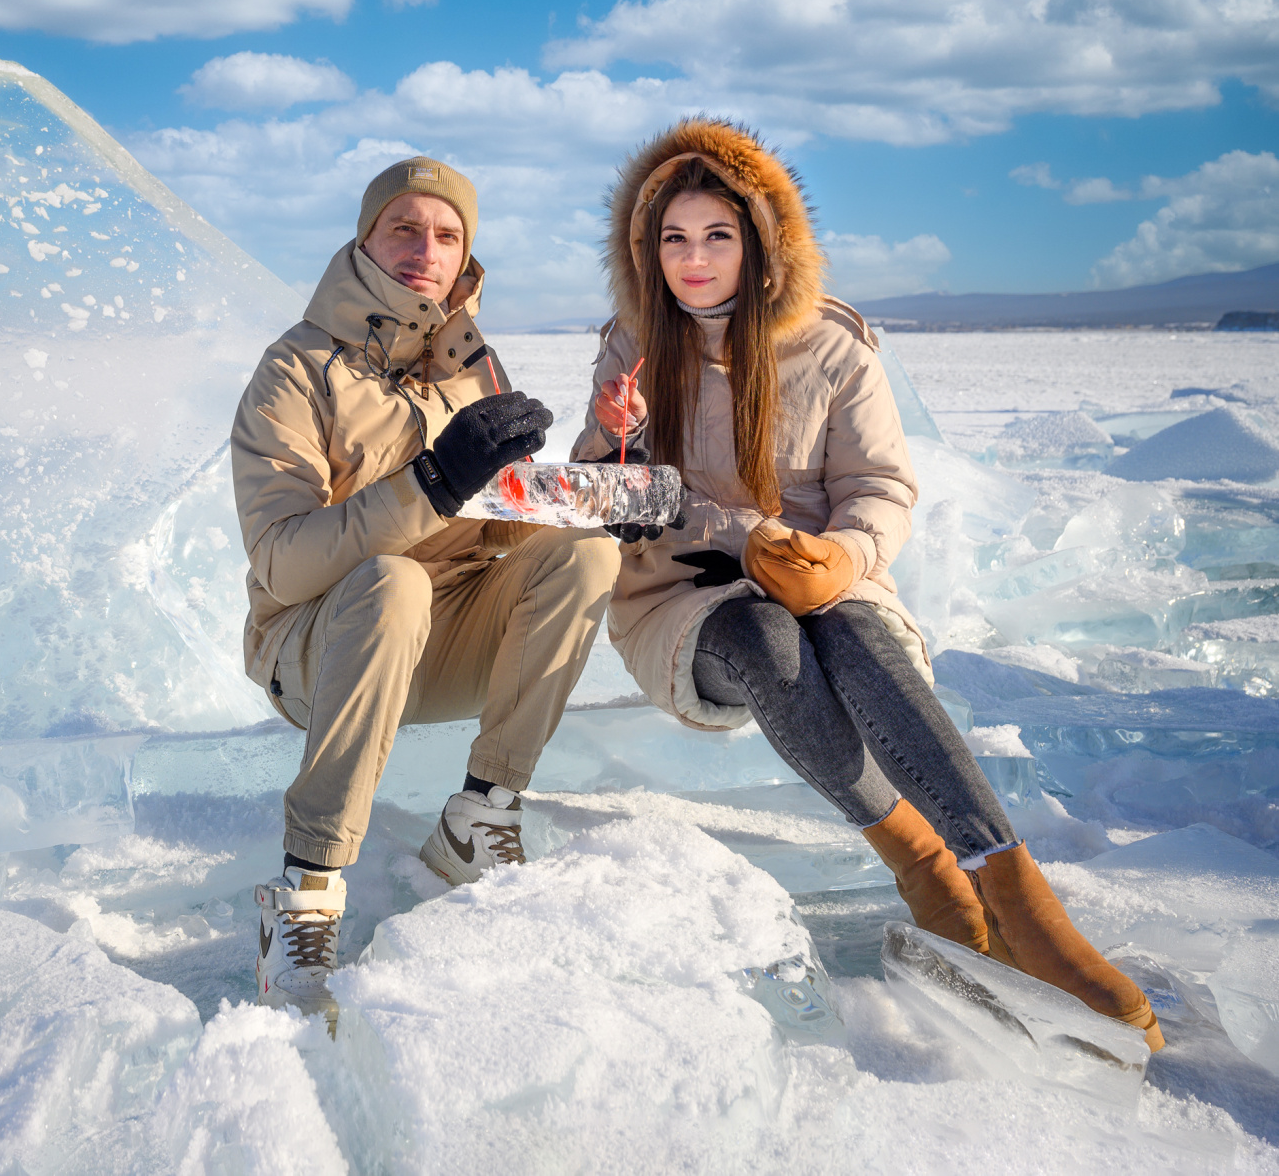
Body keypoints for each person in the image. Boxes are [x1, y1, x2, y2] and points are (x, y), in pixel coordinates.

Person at [573, 117, 1163, 1052]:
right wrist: (619, 438)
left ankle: (1015, 896)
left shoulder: (833, 343)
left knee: (851, 632)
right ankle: (924, 867)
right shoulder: (633, 346)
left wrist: (844, 558)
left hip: (824, 572)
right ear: (648, 251)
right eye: (673, 238)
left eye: (717, 235)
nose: (694, 259)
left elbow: (881, 488)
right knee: (767, 640)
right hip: (686, 591)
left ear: (759, 241)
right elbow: (605, 497)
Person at [232, 157, 622, 1023]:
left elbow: (494, 528)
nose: (426, 249)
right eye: (404, 228)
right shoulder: (295, 369)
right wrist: (431, 483)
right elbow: (283, 562)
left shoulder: (470, 363)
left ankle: (480, 818)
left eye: (448, 235)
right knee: (393, 581)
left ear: (465, 255)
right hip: (322, 650)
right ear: (365, 240)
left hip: (441, 645)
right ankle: (305, 892)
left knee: (587, 555)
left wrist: (586, 504)